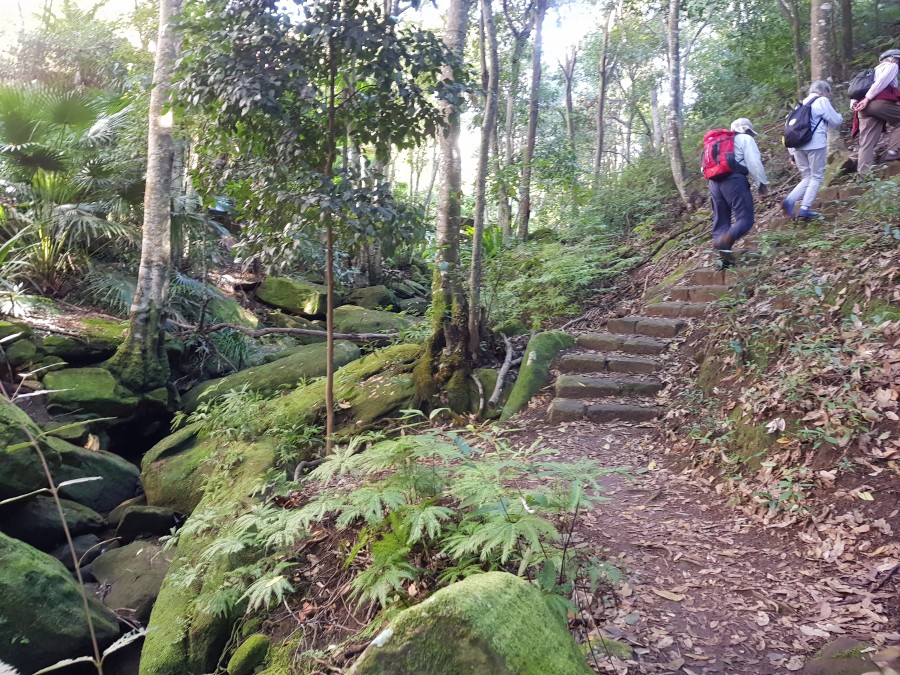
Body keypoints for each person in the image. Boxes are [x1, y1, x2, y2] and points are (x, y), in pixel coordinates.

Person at [709, 118, 769, 266]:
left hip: (714, 183)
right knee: (745, 219)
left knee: (721, 221)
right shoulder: (745, 139)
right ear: (746, 129)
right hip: (734, 180)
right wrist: (761, 183)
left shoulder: (717, 143)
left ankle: (723, 260)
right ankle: (725, 240)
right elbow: (754, 163)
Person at [782, 81, 843, 221]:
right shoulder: (822, 101)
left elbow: (788, 130)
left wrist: (792, 154)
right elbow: (836, 121)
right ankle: (805, 208)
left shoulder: (798, 106)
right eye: (828, 93)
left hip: (797, 147)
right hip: (815, 145)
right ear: (824, 91)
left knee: (807, 177)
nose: (828, 96)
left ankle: (789, 201)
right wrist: (841, 116)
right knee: (816, 177)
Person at [852, 49, 900, 175]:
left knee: (867, 142)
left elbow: (855, 91)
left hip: (863, 108)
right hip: (877, 103)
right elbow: (881, 82)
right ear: (892, 58)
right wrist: (868, 98)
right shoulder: (891, 66)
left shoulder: (871, 72)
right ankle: (893, 151)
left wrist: (857, 102)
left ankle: (864, 175)